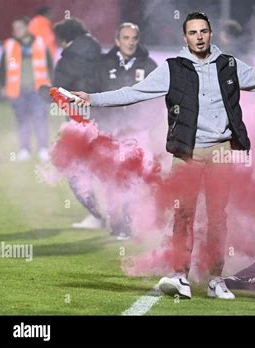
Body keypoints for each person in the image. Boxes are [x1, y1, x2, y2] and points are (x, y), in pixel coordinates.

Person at [72, 12, 255, 300]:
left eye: (203, 31)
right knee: (183, 216)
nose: (199, 37)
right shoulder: (172, 68)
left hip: (221, 152)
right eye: (193, 32)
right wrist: (93, 98)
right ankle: (179, 276)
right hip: (186, 152)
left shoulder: (229, 65)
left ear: (210, 34)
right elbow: (134, 93)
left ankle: (215, 279)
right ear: (185, 38)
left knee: (217, 219)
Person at [74, 22, 158, 238]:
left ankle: (130, 224)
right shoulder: (102, 65)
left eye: (134, 38)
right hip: (109, 132)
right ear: (117, 40)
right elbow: (90, 95)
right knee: (109, 180)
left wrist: (146, 124)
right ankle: (113, 221)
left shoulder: (148, 66)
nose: (130, 42)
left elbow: (158, 100)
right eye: (126, 38)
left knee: (132, 179)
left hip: (137, 132)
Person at [52, 18, 103, 230]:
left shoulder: (68, 60)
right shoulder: (98, 52)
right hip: (103, 119)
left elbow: (59, 91)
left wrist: (46, 90)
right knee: (106, 170)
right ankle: (124, 219)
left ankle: (97, 215)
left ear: (63, 38)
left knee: (75, 171)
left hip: (79, 123)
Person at [0, 16, 53, 161]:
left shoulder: (40, 43)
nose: (16, 30)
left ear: (27, 28)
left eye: (19, 27)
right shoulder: (9, 44)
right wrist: (3, 86)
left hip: (38, 90)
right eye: (14, 28)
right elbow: (3, 68)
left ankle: (43, 148)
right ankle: (24, 150)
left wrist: (50, 85)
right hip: (18, 91)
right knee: (22, 121)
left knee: (40, 119)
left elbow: (49, 65)